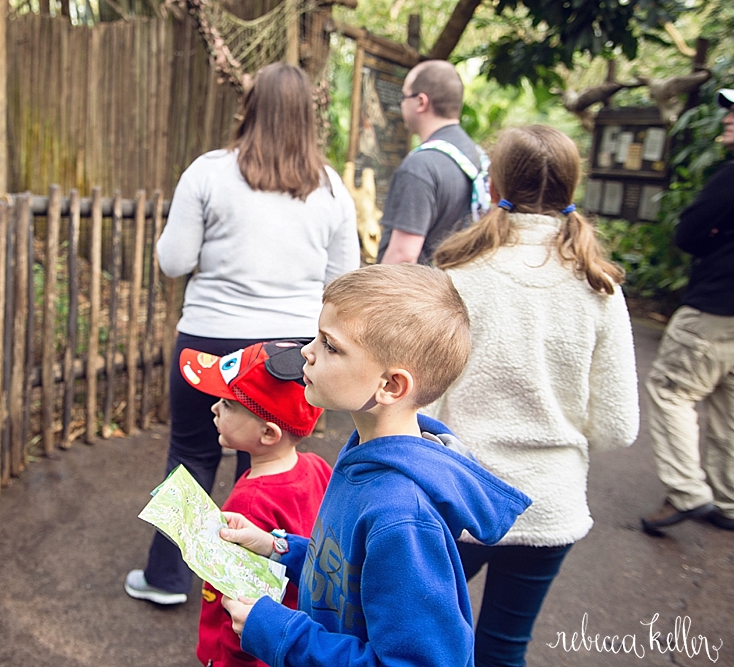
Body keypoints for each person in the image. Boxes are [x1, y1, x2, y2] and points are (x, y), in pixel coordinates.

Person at [216, 263, 533, 667]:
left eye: (330, 346)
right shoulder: (366, 454)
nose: (306, 352)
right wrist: (276, 547)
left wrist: (281, 634)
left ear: (390, 386)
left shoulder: (401, 515)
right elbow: (344, 571)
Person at [125, 62, 359, 605]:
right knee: (267, 463)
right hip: (289, 355)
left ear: (248, 109)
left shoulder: (208, 173)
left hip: (209, 340)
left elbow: (173, 260)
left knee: (190, 455)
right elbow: (344, 280)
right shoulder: (329, 188)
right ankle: (256, 587)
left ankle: (167, 578)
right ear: (309, 118)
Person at [430, 125, 639, 667]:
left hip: (461, 494)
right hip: (551, 502)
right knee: (503, 648)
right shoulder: (600, 286)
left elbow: (422, 399)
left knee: (419, 635)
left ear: (493, 183)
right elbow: (618, 428)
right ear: (573, 187)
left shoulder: (458, 271)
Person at [175, 339, 332, 667]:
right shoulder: (317, 467)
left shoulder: (248, 503)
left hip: (249, 652)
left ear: (268, 434)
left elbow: (240, 598)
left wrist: (227, 660)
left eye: (228, 404)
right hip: (293, 631)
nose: (214, 409)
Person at [640, 88, 734, 535]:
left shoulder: (732, 176)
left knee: (671, 389)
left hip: (714, 306)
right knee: (731, 403)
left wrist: (715, 237)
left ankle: (687, 491)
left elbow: (689, 233)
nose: (728, 119)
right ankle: (731, 500)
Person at [378, 59, 485, 265]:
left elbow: (403, 256)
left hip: (419, 284)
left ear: (421, 102)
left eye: (403, 97)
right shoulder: (474, 154)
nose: (401, 104)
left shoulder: (420, 166)